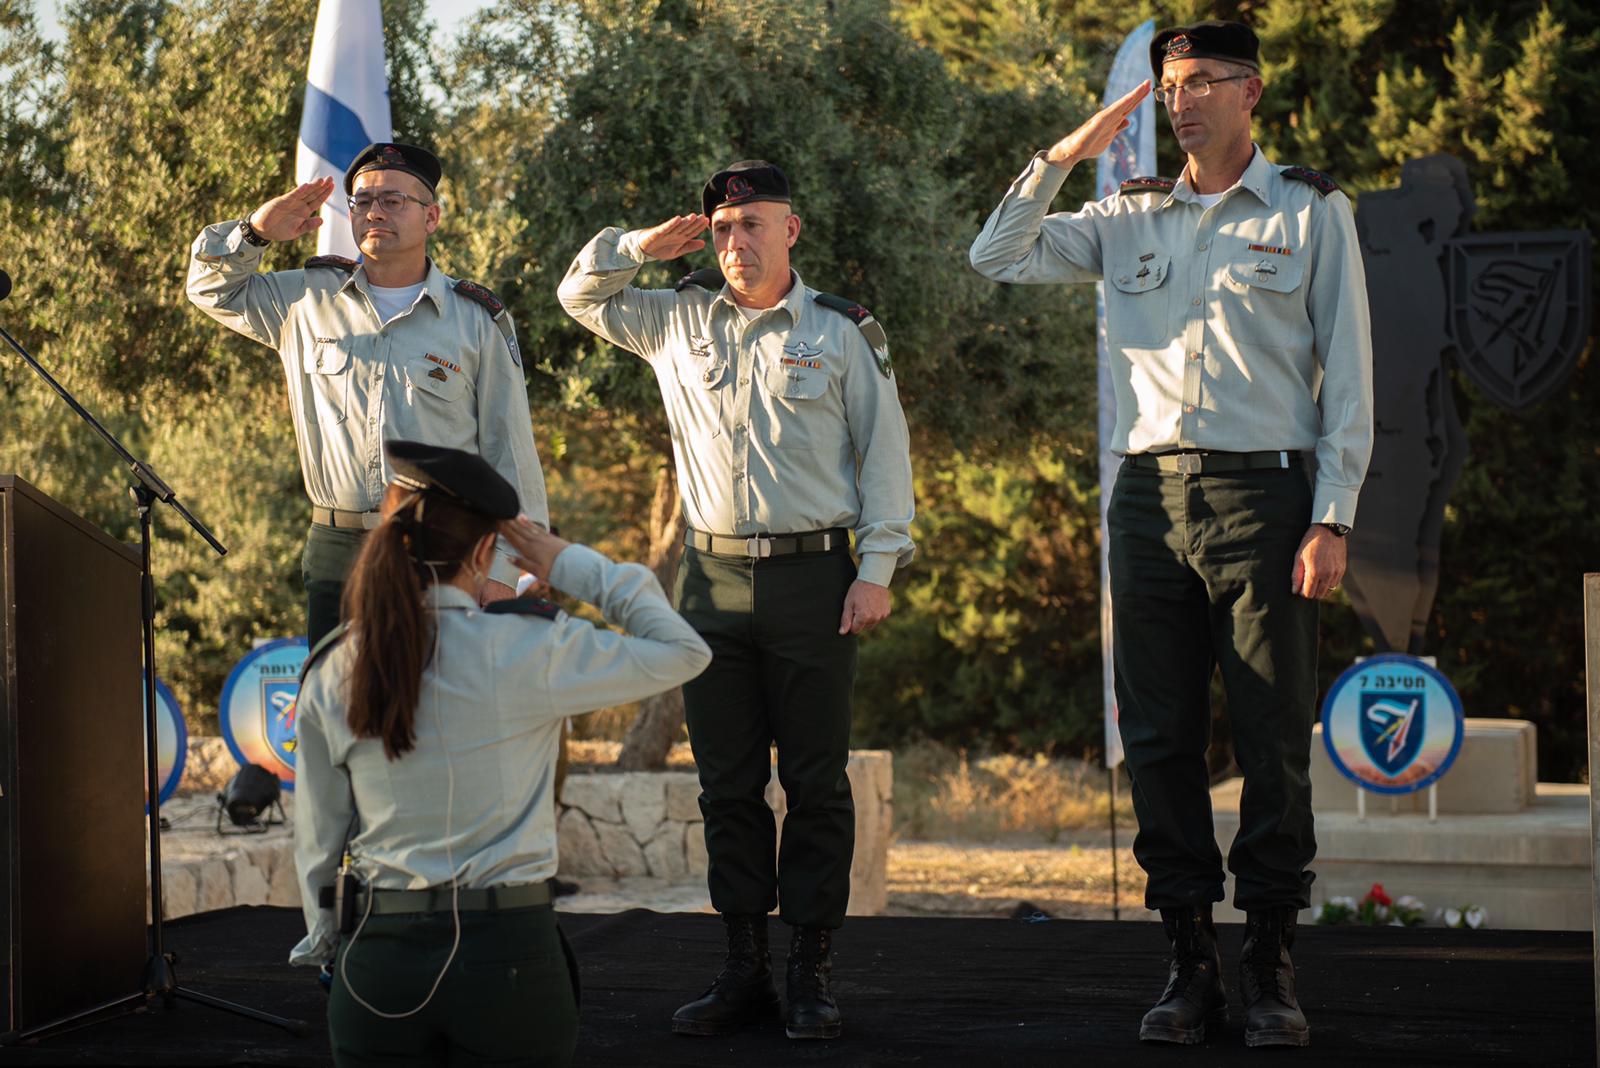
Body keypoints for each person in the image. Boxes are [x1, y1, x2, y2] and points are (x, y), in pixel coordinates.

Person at [969, 20, 1373, 1049]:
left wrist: (1333, 516)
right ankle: (1189, 963)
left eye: (1202, 82)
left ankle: (1270, 964)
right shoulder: (1121, 217)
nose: (1181, 100)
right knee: (1158, 740)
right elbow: (996, 254)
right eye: (1168, 85)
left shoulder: (1309, 211)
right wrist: (1059, 157)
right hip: (1147, 504)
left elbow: (1352, 383)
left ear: (1251, 91)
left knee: (1274, 737)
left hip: (1265, 501)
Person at [557, 160, 915, 1041]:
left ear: (791, 230)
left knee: (817, 782)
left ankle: (813, 968)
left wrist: (878, 570)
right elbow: (579, 295)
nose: (734, 242)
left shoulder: (841, 331)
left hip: (815, 577)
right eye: (721, 229)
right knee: (726, 786)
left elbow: (884, 457)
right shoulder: (675, 319)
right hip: (710, 580)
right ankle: (744, 965)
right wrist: (639, 247)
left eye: (752, 224)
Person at [291, 440, 711, 1066]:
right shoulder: (531, 651)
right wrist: (567, 562)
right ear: (487, 549)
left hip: (379, 959)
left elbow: (319, 842)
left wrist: (329, 942)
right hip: (507, 957)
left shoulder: (336, 665)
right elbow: (685, 651)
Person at [186, 142, 548, 645]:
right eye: (362, 202)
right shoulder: (306, 299)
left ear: (432, 217)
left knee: (429, 712)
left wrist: (503, 571)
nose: (375, 211)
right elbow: (209, 290)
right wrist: (254, 233)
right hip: (336, 546)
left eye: (393, 201)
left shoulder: (476, 320)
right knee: (335, 711)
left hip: (437, 545)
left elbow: (509, 453)